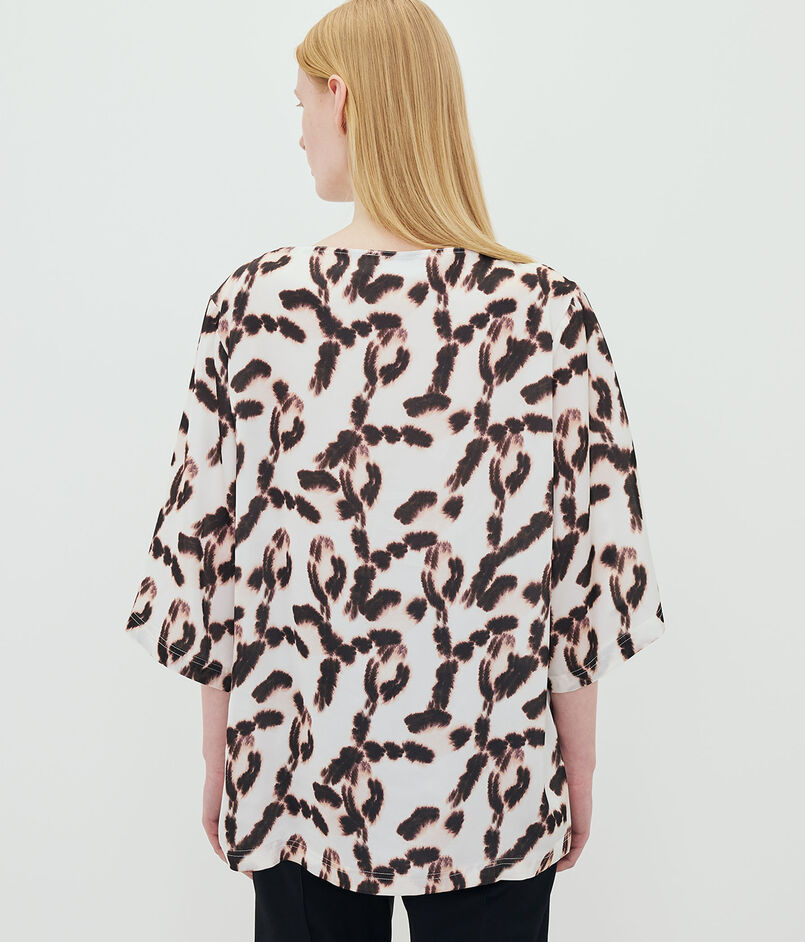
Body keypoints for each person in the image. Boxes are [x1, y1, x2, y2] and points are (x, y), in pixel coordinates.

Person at [124, 1, 667, 939]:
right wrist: (576, 770)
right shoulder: (548, 317)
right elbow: (583, 584)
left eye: (300, 103)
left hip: (297, 774)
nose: (298, 131)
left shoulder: (253, 308)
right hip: (494, 781)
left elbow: (211, 571)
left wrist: (220, 758)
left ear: (341, 98)